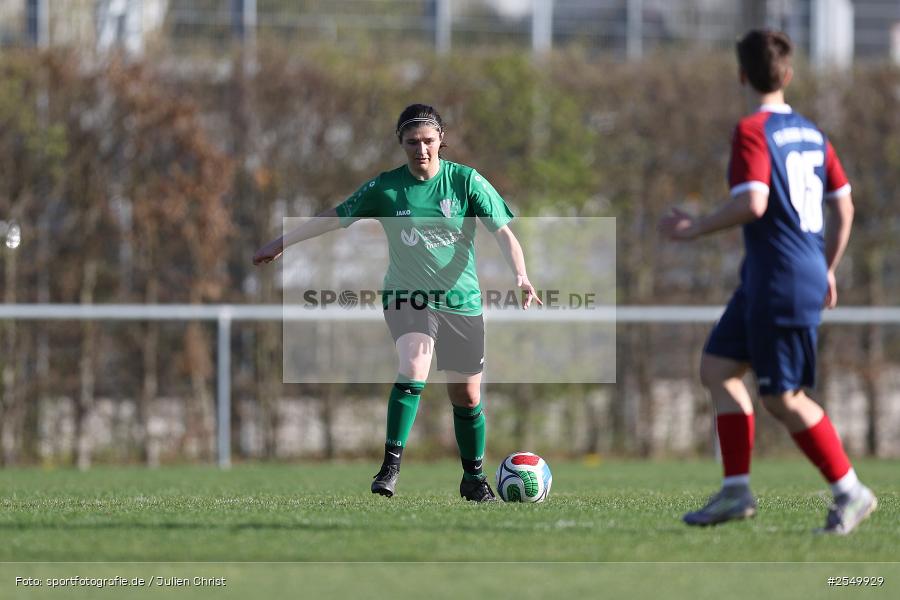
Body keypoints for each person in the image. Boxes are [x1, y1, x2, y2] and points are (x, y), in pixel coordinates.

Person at [253, 103, 541, 502]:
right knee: (413, 367)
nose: (421, 149)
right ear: (400, 143)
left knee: (468, 397)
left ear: (441, 139)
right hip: (407, 296)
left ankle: (473, 479)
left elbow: (504, 233)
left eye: (428, 141)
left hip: (461, 301)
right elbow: (335, 216)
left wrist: (521, 275)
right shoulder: (386, 189)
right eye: (412, 142)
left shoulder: (466, 181)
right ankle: (390, 466)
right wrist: (282, 242)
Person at [659, 30, 876, 534]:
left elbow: (752, 201)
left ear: (742, 74)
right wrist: (826, 265)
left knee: (783, 396)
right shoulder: (812, 132)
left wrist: (694, 228)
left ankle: (851, 491)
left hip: (778, 279)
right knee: (717, 367)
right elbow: (843, 204)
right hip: (773, 278)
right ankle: (735, 491)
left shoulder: (753, 130)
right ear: (789, 74)